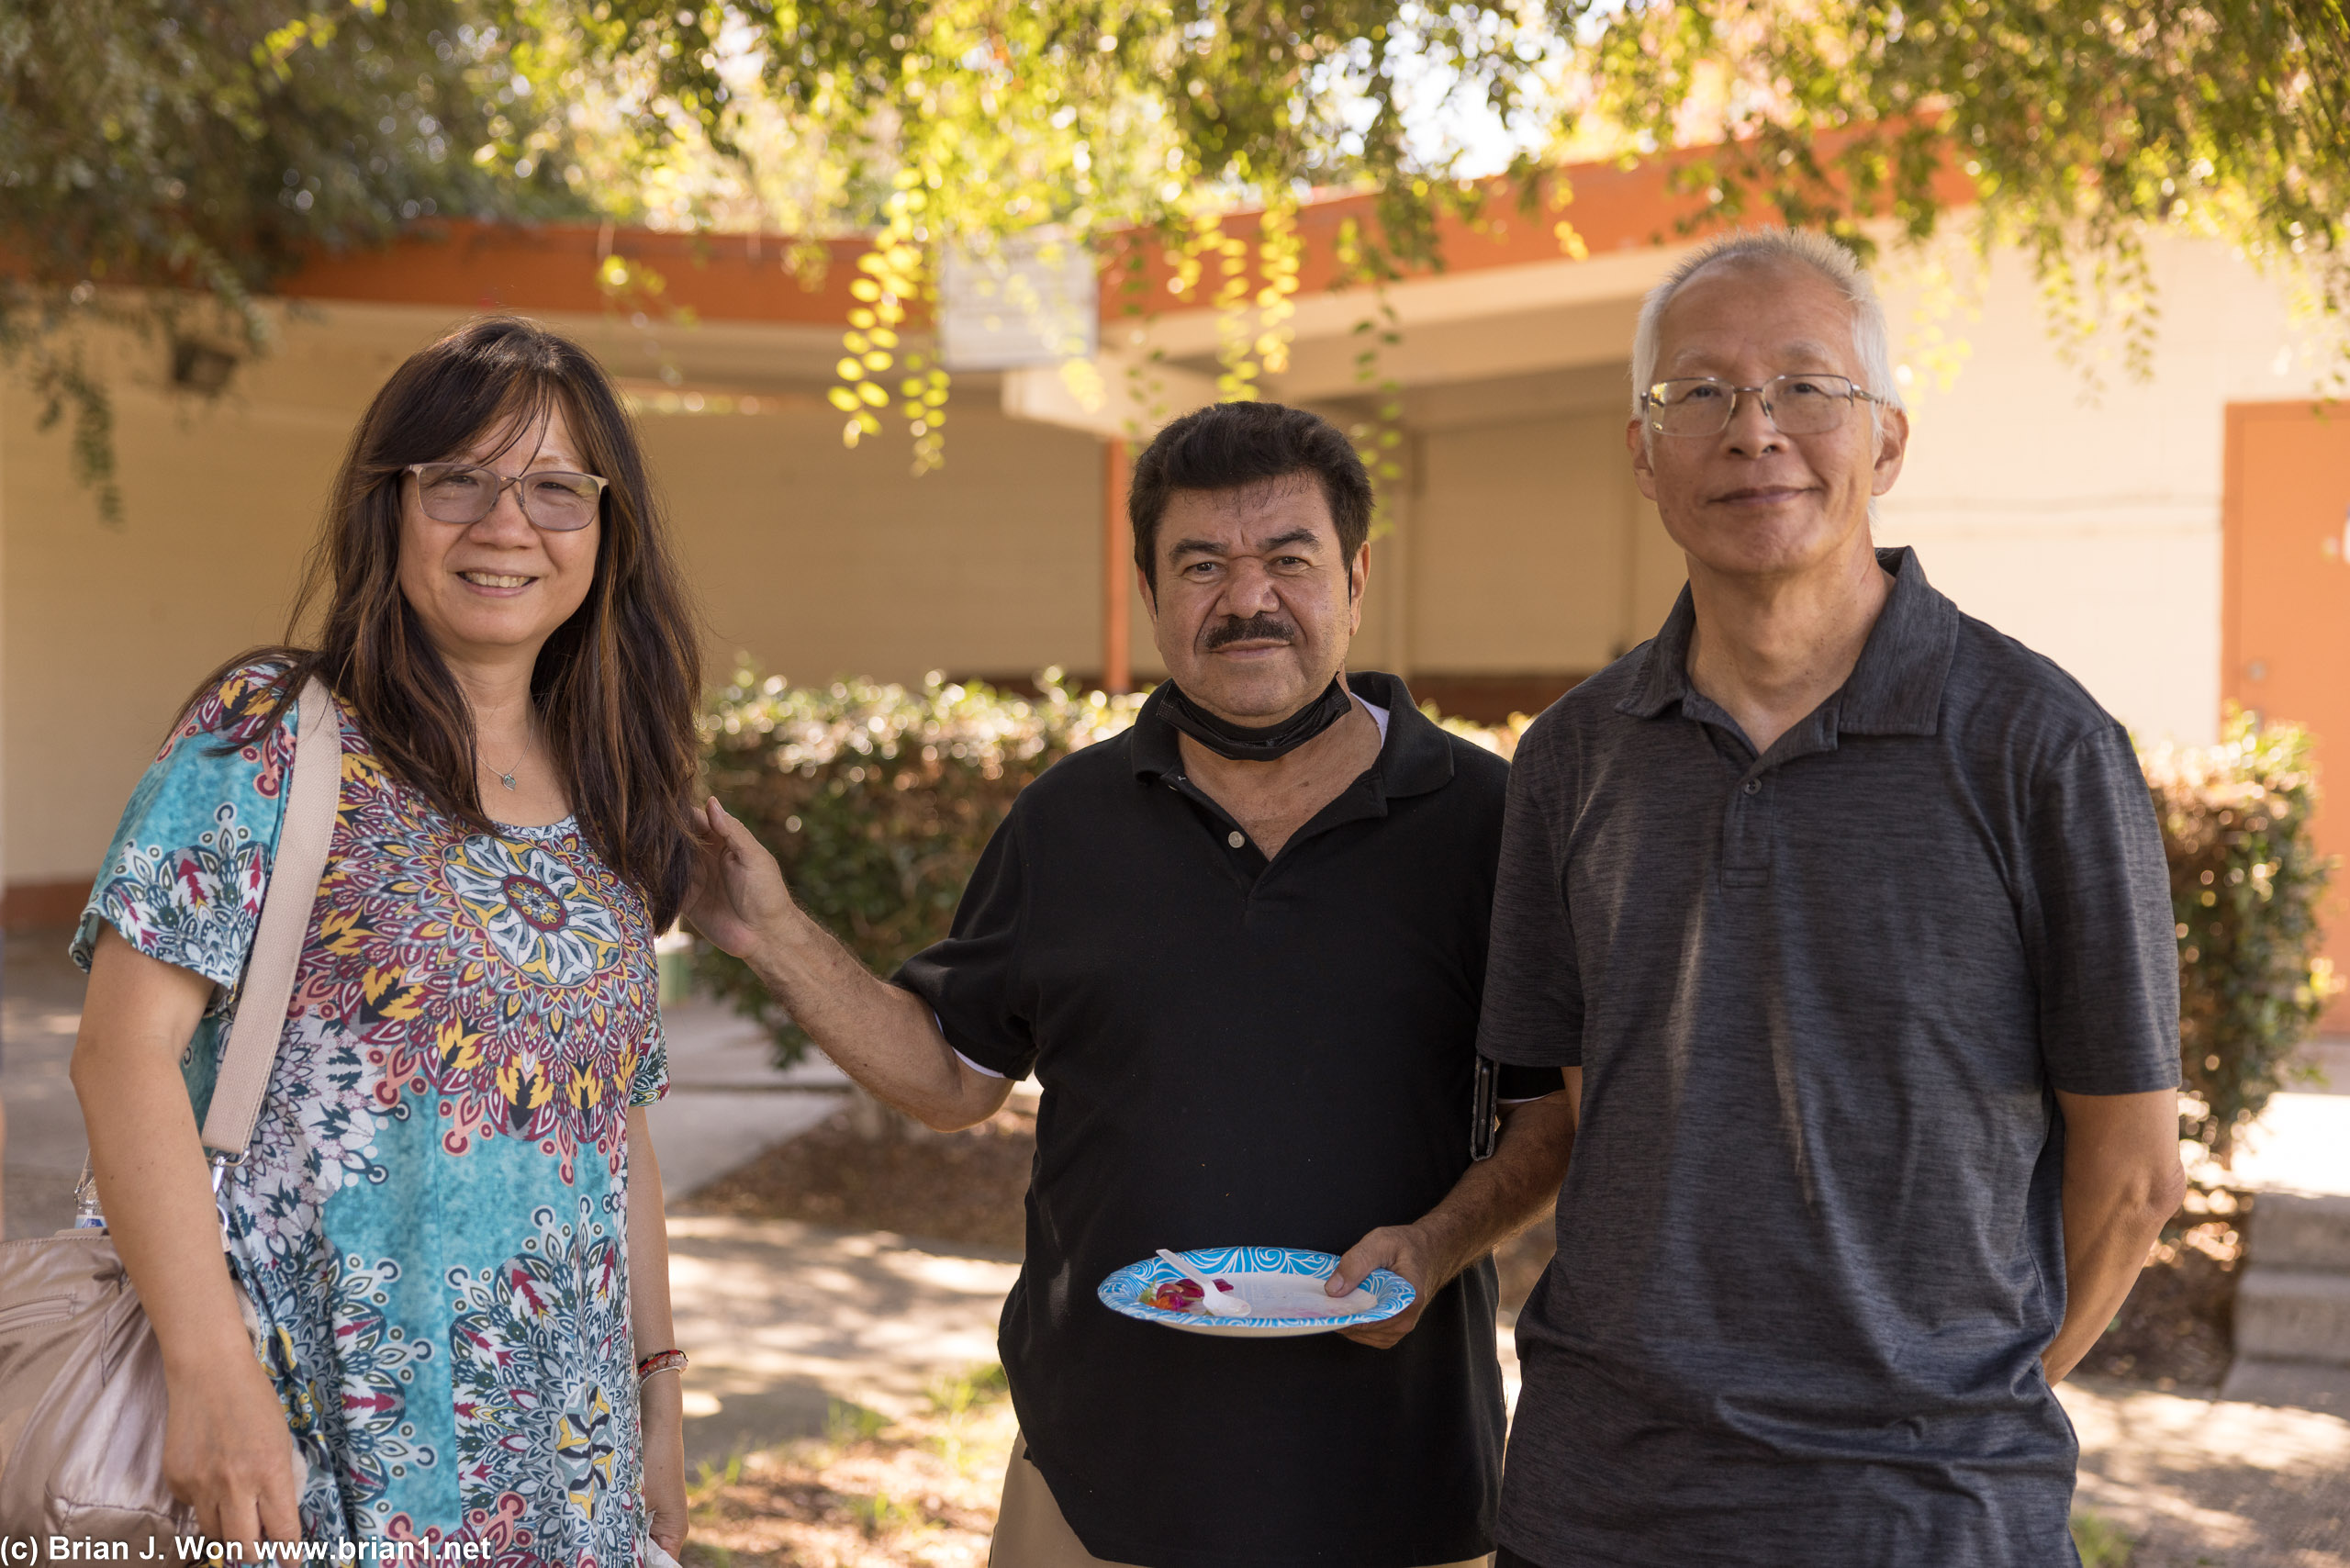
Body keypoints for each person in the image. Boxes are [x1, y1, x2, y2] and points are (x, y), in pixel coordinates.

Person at [689, 400, 1576, 1568]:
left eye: (1288, 559)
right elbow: (956, 1076)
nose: (1247, 597)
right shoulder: (1069, 822)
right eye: (1201, 563)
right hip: (1098, 1469)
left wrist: (1438, 1243)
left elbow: (1547, 1115)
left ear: (1355, 577)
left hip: (1396, 1471)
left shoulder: (1486, 821)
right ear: (1151, 592)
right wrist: (769, 930)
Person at [1477, 230, 2188, 1568]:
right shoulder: (1571, 757)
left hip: (1925, 1519)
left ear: (1890, 443)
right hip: (1599, 1504)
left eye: (1807, 387)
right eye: (1701, 394)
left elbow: (2135, 1178)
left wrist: (1958, 1399)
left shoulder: (2040, 747)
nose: (1755, 433)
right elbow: (1565, 1109)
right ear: (1643, 453)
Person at [69, 318, 701, 1563]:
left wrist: (660, 1398)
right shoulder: (269, 735)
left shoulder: (617, 799)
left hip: (563, 1475)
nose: (505, 523)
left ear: (606, 532)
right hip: (303, 1434)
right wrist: (209, 1374)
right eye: (456, 479)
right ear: (389, 508)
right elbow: (120, 1055)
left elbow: (615, 1131)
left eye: (555, 488)